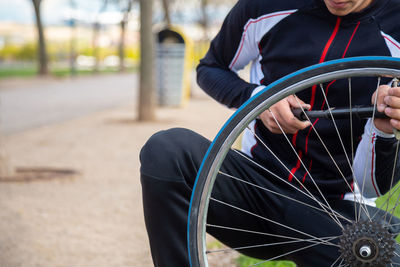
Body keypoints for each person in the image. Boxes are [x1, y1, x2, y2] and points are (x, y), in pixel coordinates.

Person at [140, 0, 400, 266]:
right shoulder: (265, 6)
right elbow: (211, 67)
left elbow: (373, 186)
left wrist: (383, 128)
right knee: (166, 151)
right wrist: (258, 100)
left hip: (335, 216)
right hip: (256, 193)